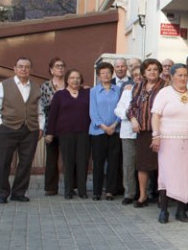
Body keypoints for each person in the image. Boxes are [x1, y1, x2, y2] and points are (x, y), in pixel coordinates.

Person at [151, 63, 188, 223]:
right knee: (167, 174)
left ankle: (181, 211)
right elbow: (155, 115)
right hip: (168, 140)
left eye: (185, 75)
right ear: (172, 76)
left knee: (185, 175)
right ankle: (164, 210)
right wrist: (156, 135)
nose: (183, 78)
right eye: (180, 75)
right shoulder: (164, 93)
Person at [0, 57, 44, 203]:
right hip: (8, 128)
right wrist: (0, 124)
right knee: (3, 162)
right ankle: (2, 194)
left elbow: (40, 111)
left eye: (27, 67)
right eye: (20, 66)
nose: (23, 69)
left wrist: (40, 127)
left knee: (25, 163)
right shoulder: (4, 85)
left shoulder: (36, 87)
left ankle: (18, 193)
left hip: (30, 130)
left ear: (31, 70)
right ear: (14, 68)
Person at [46, 69, 91, 199]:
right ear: (67, 80)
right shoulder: (60, 95)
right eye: (72, 78)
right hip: (65, 133)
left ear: (81, 80)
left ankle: (82, 190)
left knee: (82, 162)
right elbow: (53, 115)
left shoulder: (87, 93)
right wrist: (50, 133)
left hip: (84, 132)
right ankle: (68, 190)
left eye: (77, 78)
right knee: (68, 162)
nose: (75, 80)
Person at [128, 59, 166, 208]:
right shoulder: (138, 87)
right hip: (143, 132)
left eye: (155, 69)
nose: (152, 72)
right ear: (143, 72)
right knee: (142, 165)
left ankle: (162, 196)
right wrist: (132, 119)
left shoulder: (166, 86)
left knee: (162, 165)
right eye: (149, 69)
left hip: (161, 132)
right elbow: (131, 107)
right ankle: (143, 196)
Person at [89, 62, 122, 201]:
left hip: (115, 131)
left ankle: (110, 191)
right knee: (98, 162)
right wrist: (104, 127)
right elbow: (93, 111)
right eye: (102, 73)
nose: (106, 75)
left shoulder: (119, 90)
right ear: (98, 76)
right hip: (98, 132)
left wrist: (114, 125)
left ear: (112, 74)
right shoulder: (93, 91)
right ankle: (96, 191)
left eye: (108, 72)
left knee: (114, 162)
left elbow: (122, 109)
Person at [115, 66, 142, 205]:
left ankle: (145, 193)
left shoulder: (149, 92)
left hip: (144, 133)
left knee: (144, 165)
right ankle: (129, 193)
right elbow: (118, 110)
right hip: (128, 133)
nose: (138, 77)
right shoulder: (127, 92)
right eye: (135, 75)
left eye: (140, 74)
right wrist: (129, 114)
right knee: (128, 165)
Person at [40, 57, 66, 196]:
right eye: (57, 66)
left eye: (62, 66)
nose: (60, 68)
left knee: (68, 158)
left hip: (67, 126)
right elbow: (43, 106)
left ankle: (70, 186)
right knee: (51, 158)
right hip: (51, 126)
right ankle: (51, 187)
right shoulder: (45, 86)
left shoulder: (70, 84)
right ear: (51, 70)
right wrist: (56, 100)